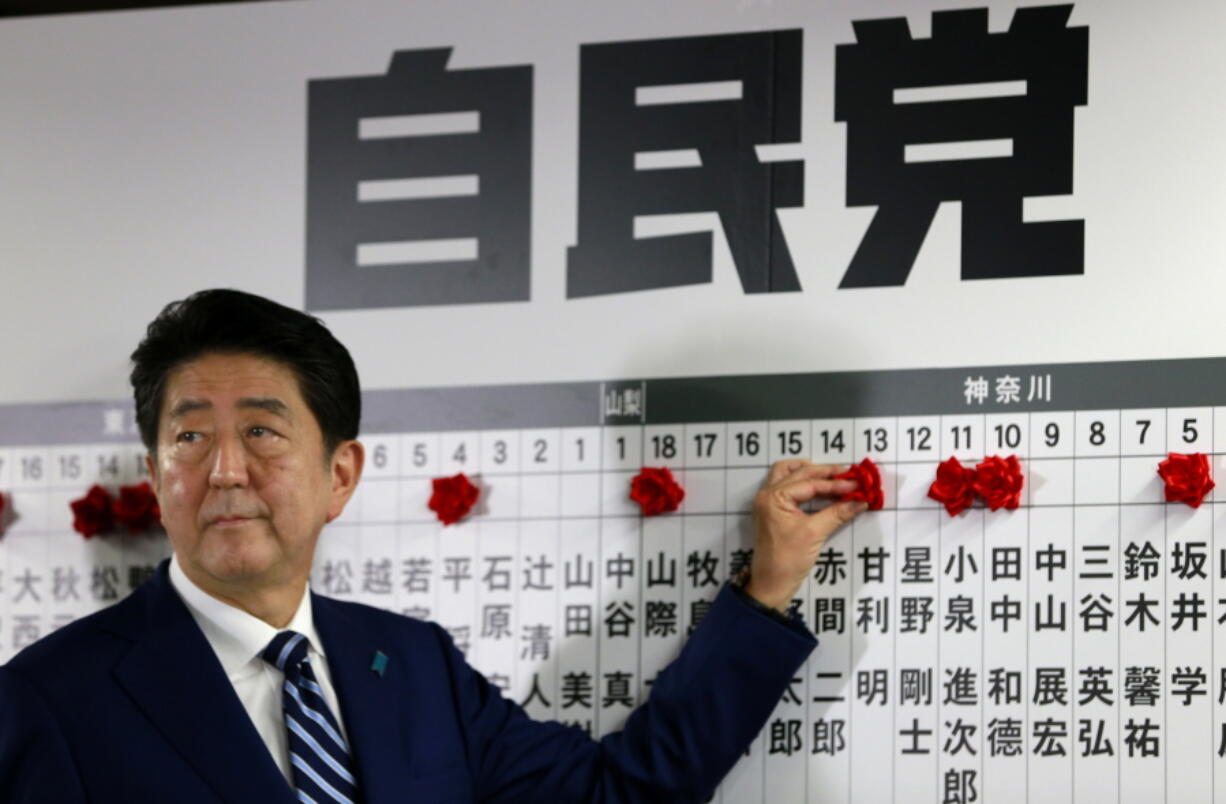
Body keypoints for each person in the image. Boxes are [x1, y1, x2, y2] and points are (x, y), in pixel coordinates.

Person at [0, 289, 867, 803]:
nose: (225, 471)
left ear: (340, 474)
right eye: (189, 439)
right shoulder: (49, 702)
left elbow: (622, 793)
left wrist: (767, 590)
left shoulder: (408, 663)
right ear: (157, 475)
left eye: (263, 432)